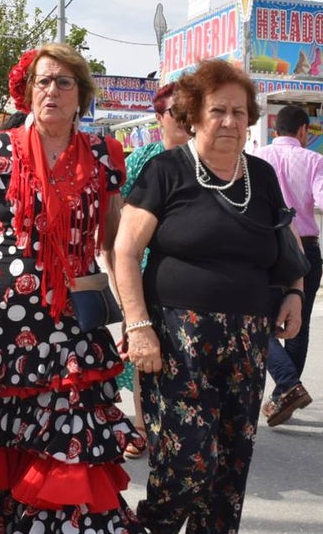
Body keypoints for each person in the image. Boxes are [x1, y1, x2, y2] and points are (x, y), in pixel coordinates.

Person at [0, 44, 142, 532]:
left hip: (74, 313)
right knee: (2, 425)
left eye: (63, 82)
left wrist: (136, 316)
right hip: (5, 315)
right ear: (27, 93)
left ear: (81, 95)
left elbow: (112, 244)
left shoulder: (103, 154)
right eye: (42, 82)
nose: (51, 91)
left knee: (71, 422)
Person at [114, 59, 304, 534]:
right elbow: (125, 249)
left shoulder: (260, 177)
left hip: (247, 339)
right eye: (218, 110)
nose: (230, 121)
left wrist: (295, 292)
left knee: (230, 466)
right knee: (186, 463)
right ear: (194, 115)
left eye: (239, 112)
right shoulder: (166, 171)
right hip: (179, 340)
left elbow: (285, 244)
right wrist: (138, 327)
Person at [252, 104, 323, 426]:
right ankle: (287, 387)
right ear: (303, 131)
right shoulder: (314, 159)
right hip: (304, 250)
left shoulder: (256, 157)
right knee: (298, 324)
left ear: (275, 129)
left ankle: (286, 389)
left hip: (264, 249)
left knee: (255, 322)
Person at [117, 82, 189, 460]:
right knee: (144, 353)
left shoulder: (211, 161)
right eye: (179, 114)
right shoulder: (141, 160)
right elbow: (118, 229)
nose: (187, 122)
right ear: (160, 118)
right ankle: (142, 428)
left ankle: (182, 426)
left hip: (191, 277)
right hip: (144, 271)